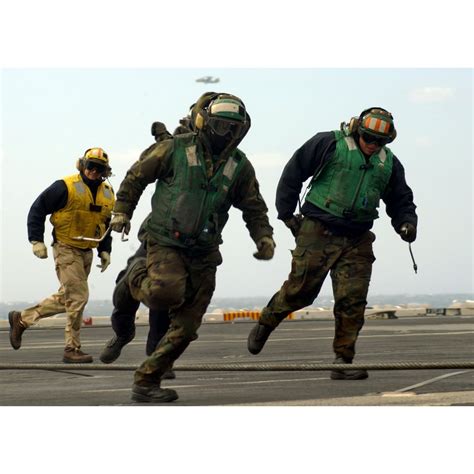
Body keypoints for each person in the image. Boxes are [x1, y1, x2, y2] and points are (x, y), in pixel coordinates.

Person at [109, 92, 275, 402]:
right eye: (220, 126)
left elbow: (254, 206)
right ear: (204, 122)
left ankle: (146, 382)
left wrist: (263, 236)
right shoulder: (175, 149)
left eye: (233, 128)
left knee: (186, 327)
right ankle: (134, 276)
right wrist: (122, 211)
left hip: (205, 251)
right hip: (166, 241)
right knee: (164, 294)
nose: (226, 133)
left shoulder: (239, 166)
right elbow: (136, 176)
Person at [247, 107, 418, 380]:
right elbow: (293, 173)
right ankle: (266, 322)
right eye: (368, 138)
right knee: (300, 291)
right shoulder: (327, 143)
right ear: (357, 130)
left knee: (352, 300)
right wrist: (287, 215)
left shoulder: (389, 164)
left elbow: (401, 200)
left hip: (358, 237)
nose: (372, 145)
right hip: (319, 230)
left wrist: (406, 224)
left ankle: (343, 360)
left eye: (379, 142)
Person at [99, 122, 193, 380]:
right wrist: (122, 212)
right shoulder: (177, 149)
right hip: (157, 233)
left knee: (163, 302)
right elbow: (141, 171)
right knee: (126, 286)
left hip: (189, 243)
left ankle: (157, 359)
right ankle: (123, 332)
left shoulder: (223, 162)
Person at [8, 148, 115, 363]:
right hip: (66, 248)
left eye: (99, 168)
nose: (93, 171)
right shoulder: (65, 187)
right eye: (90, 166)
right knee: (78, 297)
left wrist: (105, 249)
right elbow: (37, 209)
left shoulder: (108, 193)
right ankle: (71, 349)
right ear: (83, 165)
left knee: (68, 297)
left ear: (105, 171)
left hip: (87, 251)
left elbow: (105, 223)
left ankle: (22, 319)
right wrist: (36, 240)